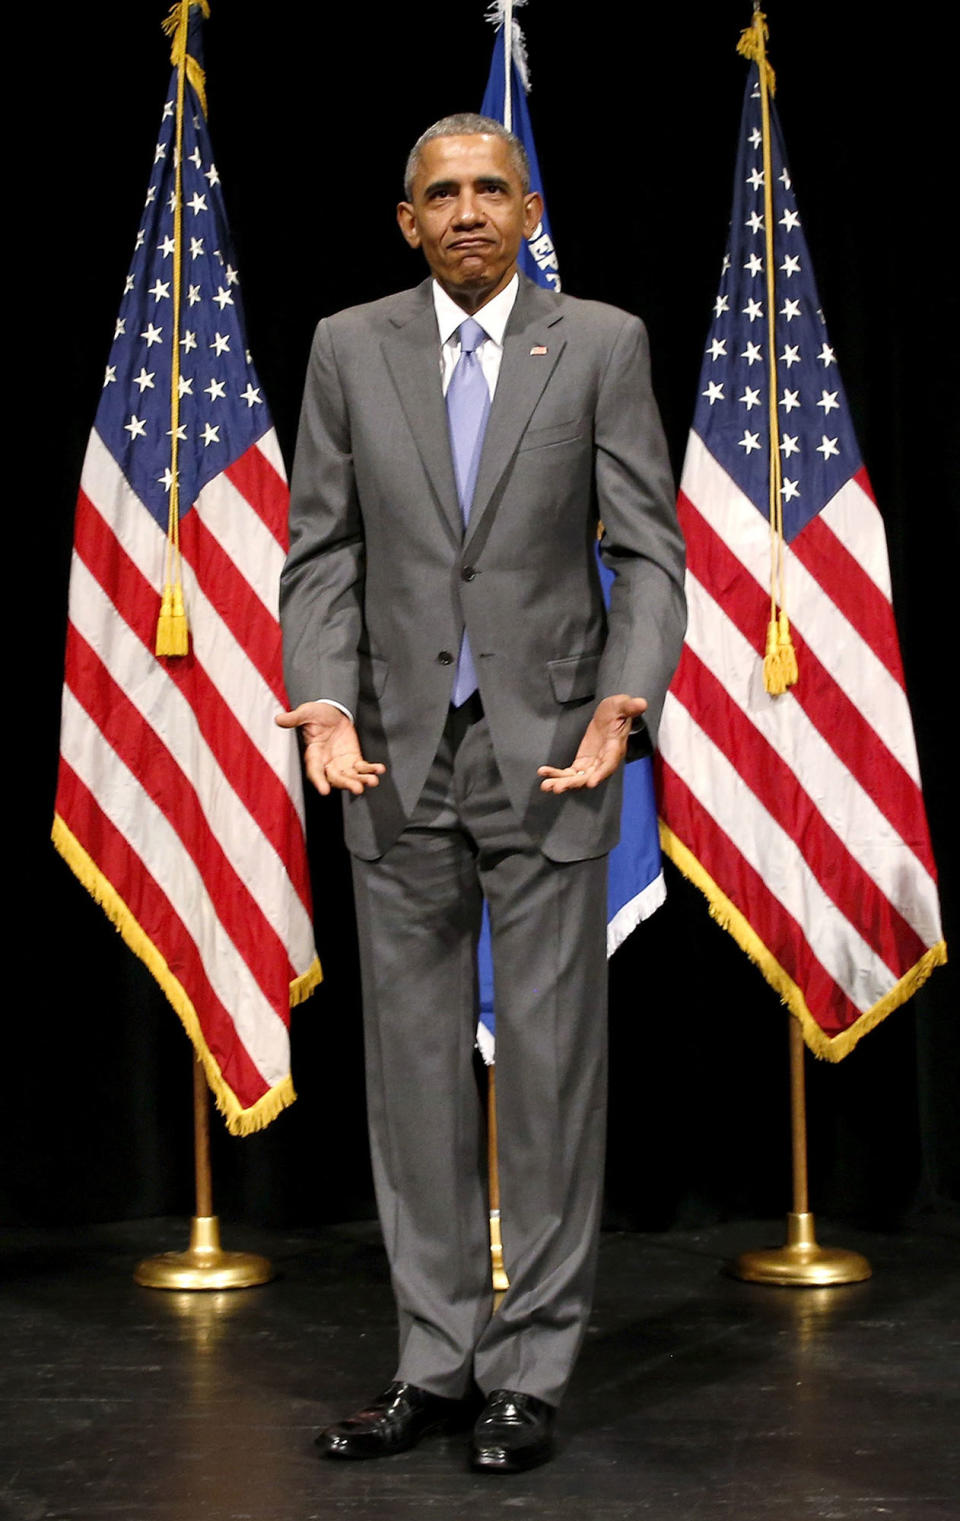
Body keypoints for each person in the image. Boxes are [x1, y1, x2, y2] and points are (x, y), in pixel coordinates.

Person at [277, 113, 686, 1473]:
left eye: (488, 190)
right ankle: (434, 1360)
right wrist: (323, 699)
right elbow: (320, 550)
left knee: (556, 1074)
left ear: (528, 207)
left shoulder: (603, 344)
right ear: (407, 220)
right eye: (440, 194)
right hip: (390, 757)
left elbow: (650, 547)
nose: (465, 211)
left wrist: (628, 694)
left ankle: (533, 1367)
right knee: (410, 1081)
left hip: (556, 751)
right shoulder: (349, 346)